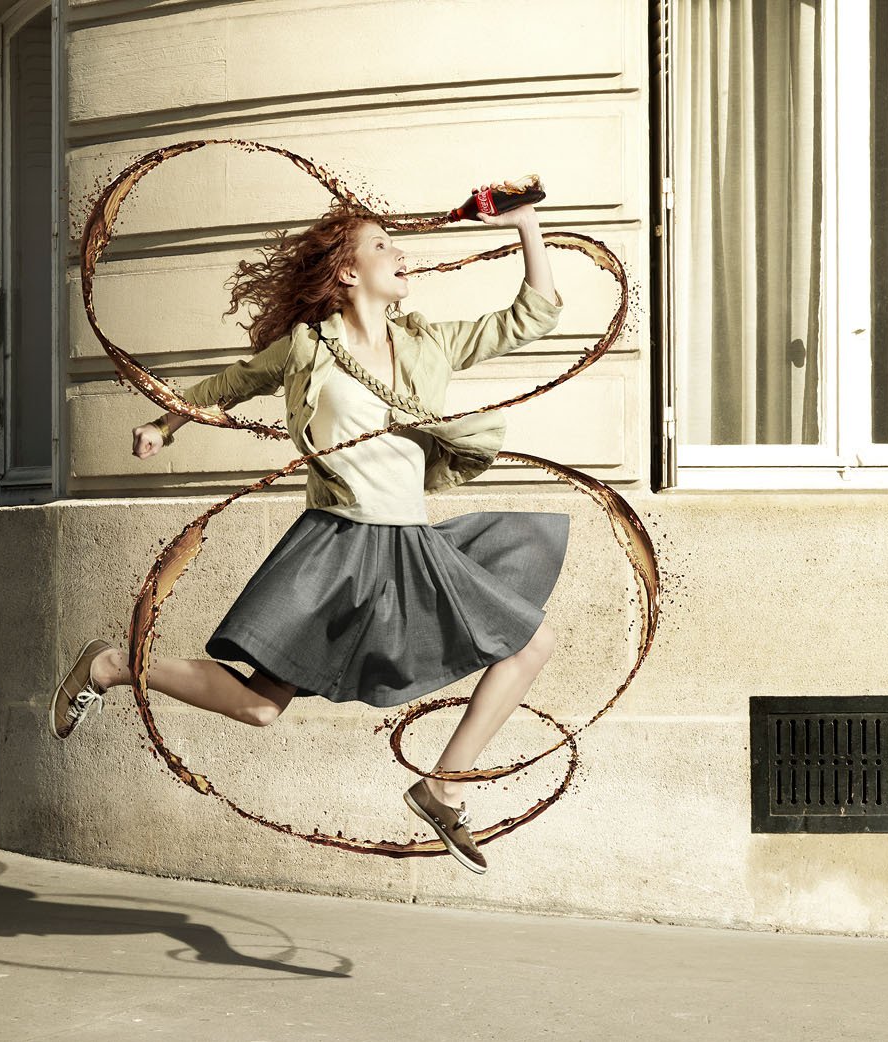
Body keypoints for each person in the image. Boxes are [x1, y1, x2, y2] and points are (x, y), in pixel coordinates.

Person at [49, 189, 567, 874]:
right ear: (348, 271)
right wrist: (164, 424)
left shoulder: (430, 344)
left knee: (533, 641)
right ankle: (112, 666)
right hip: (339, 545)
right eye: (382, 244)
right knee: (261, 708)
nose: (400, 253)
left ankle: (441, 788)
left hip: (409, 545)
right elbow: (228, 385)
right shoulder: (306, 348)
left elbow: (533, 316)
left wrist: (526, 223)